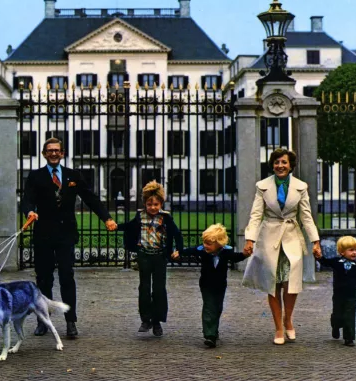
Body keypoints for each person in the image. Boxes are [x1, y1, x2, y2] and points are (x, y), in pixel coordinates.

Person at [21, 137, 117, 338]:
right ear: (44, 154)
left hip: (66, 235)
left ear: (62, 153)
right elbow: (27, 199)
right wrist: (29, 212)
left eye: (57, 150)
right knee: (44, 280)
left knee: (67, 277)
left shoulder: (73, 176)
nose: (54, 153)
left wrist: (106, 218)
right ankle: (43, 320)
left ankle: (71, 321)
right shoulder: (35, 176)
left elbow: (90, 198)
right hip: (43, 235)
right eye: (50, 151)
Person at [242, 148, 321, 345]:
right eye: (277, 162)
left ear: (291, 165)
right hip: (269, 238)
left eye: (284, 162)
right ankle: (278, 327)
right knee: (273, 285)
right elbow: (255, 214)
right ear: (272, 165)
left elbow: (306, 217)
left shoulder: (300, 187)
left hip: (292, 237)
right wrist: (250, 239)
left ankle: (288, 319)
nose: (280, 166)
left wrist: (315, 241)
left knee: (291, 284)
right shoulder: (263, 186)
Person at [116, 180, 183, 337]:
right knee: (144, 288)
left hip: (160, 257)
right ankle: (146, 319)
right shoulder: (140, 216)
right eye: (149, 204)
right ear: (145, 204)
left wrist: (179, 250)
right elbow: (129, 226)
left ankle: (157, 321)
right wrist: (115, 226)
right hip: (144, 256)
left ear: (161, 203)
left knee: (159, 289)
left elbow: (177, 234)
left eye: (156, 204)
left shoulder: (166, 218)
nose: (152, 207)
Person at [171, 224, 250, 347]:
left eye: (209, 243)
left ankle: (214, 329)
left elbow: (235, 258)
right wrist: (179, 253)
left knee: (217, 307)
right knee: (209, 307)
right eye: (204, 242)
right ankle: (209, 335)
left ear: (219, 243)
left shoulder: (226, 251)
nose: (205, 246)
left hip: (220, 285)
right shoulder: (202, 250)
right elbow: (189, 251)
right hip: (206, 284)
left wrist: (245, 254)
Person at [313, 236, 356, 347]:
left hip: (352, 296)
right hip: (338, 295)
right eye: (351, 250)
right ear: (342, 252)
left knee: (350, 316)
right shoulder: (336, 262)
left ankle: (349, 338)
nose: (354, 253)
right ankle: (335, 326)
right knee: (337, 315)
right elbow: (325, 262)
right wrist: (318, 257)